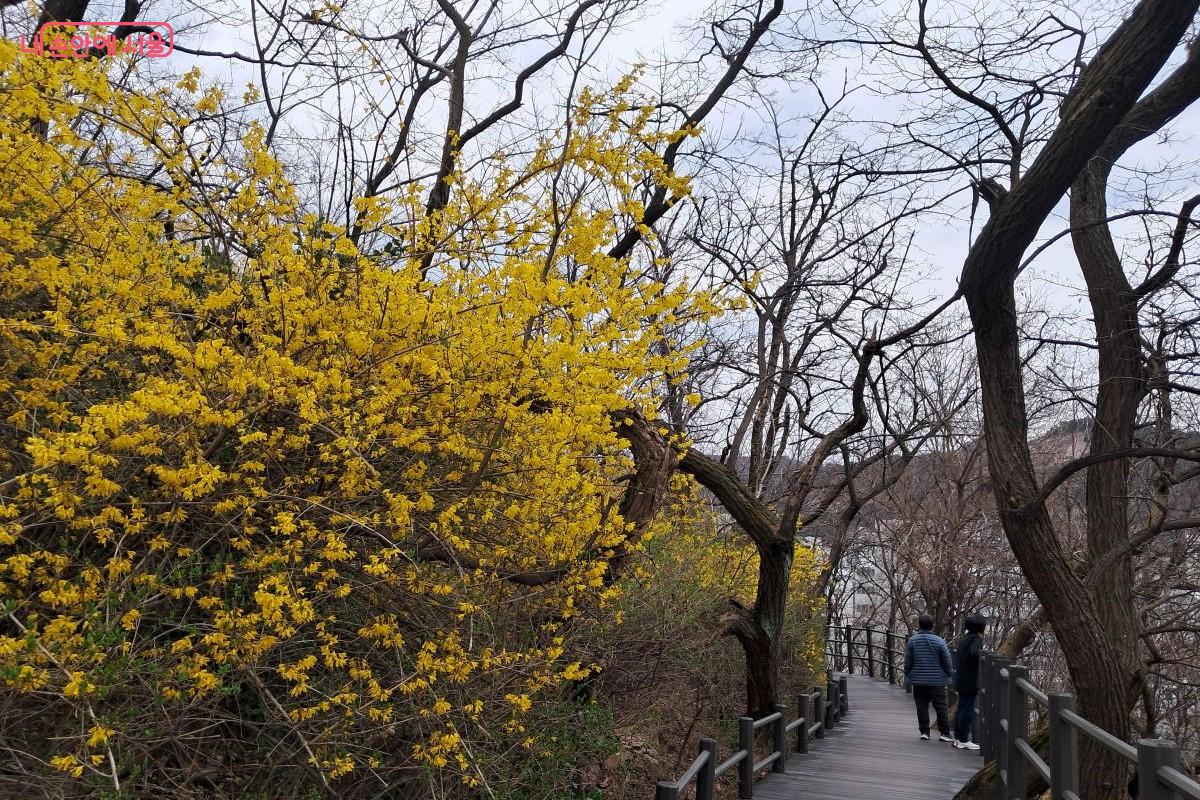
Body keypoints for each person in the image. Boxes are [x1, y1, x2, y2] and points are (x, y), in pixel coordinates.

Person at [904, 614, 954, 742]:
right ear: (932, 626)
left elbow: (908, 660)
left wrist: (908, 673)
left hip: (919, 680)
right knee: (941, 706)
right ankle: (944, 733)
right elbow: (947, 660)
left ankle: (924, 732)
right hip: (937, 681)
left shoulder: (912, 641)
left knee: (921, 706)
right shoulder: (939, 641)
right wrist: (949, 673)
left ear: (919, 625)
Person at [952, 614, 986, 750]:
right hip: (969, 680)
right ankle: (963, 739)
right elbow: (974, 653)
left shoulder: (965, 638)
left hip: (961, 678)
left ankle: (957, 737)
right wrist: (983, 655)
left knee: (961, 708)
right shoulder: (975, 639)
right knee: (967, 709)